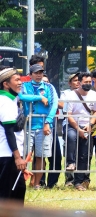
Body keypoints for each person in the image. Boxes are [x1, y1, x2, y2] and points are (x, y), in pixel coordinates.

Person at [21, 64, 58, 190]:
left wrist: (48, 122)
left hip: (43, 126)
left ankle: (37, 184)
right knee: (24, 155)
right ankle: (21, 183)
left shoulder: (49, 87)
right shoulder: (25, 86)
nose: (39, 75)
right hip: (27, 125)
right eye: (36, 73)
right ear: (30, 74)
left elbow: (54, 105)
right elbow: (21, 96)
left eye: (41, 72)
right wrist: (40, 97)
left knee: (40, 156)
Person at [66, 72, 96, 191]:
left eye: (89, 82)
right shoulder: (71, 95)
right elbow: (68, 115)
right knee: (71, 137)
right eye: (85, 82)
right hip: (73, 125)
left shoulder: (93, 95)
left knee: (84, 155)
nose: (88, 84)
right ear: (79, 82)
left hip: (87, 125)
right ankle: (70, 163)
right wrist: (78, 129)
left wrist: (90, 124)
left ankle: (78, 182)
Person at [0, 67, 27, 203]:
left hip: (8, 154)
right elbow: (9, 131)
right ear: (6, 84)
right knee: (9, 197)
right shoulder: (5, 102)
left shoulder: (10, 100)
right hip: (8, 155)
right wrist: (18, 158)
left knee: (17, 191)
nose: (20, 82)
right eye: (16, 80)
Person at [59, 72, 80, 187]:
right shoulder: (65, 93)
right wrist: (72, 104)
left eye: (79, 80)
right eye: (75, 80)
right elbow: (61, 104)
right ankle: (69, 180)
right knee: (69, 150)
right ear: (70, 83)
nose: (77, 82)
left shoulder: (85, 93)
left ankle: (80, 179)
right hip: (68, 124)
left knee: (81, 152)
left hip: (83, 123)